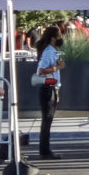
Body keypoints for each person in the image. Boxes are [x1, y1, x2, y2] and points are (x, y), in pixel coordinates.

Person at [32, 24, 64, 160]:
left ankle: (45, 149)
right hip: (48, 88)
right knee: (47, 120)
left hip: (50, 87)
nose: (60, 39)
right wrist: (57, 67)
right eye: (59, 36)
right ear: (53, 38)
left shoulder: (50, 50)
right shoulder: (49, 51)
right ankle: (45, 150)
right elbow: (41, 70)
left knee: (47, 120)